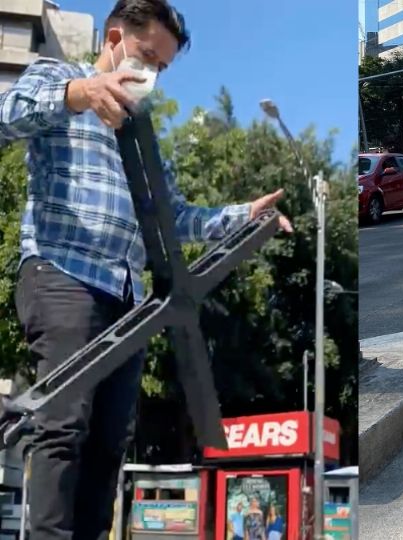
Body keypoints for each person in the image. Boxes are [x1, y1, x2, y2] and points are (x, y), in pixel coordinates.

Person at [0, 1, 292, 538]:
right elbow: (5, 113)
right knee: (62, 428)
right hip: (66, 273)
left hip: (130, 302)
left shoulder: (141, 128)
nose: (153, 74)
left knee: (110, 440)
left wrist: (243, 217)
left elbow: (174, 216)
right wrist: (78, 96)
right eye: (147, 56)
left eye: (163, 67)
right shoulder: (59, 79)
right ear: (114, 37)